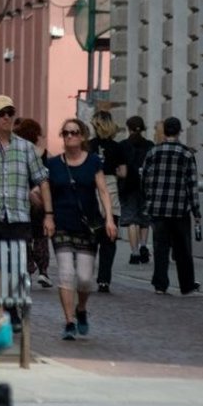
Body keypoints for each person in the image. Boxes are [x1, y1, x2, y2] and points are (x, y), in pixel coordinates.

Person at [0, 95, 54, 327]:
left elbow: (43, 180)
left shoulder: (26, 149)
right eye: (1, 113)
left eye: (10, 113)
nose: (6, 117)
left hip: (18, 216)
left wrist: (49, 215)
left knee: (15, 265)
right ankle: (1, 312)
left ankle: (11, 307)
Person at [45, 119, 117, 340]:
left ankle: (81, 308)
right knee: (66, 274)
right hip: (62, 224)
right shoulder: (53, 164)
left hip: (87, 226)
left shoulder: (93, 161)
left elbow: (103, 191)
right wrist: (48, 216)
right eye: (66, 133)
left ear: (83, 136)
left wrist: (109, 219)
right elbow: (46, 190)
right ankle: (69, 321)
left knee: (85, 279)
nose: (70, 136)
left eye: (74, 132)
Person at [142, 117, 202, 295]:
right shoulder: (186, 154)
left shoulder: (153, 152)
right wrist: (196, 211)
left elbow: (144, 179)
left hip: (158, 208)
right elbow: (192, 185)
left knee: (160, 247)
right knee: (183, 249)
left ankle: (160, 284)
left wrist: (149, 199)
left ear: (164, 131)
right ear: (179, 131)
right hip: (179, 209)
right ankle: (187, 285)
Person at [89, 111, 127, 293]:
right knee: (109, 240)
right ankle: (104, 280)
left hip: (92, 191)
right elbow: (123, 173)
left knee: (90, 239)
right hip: (110, 189)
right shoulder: (117, 147)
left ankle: (85, 274)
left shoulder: (88, 146)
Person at [13, 118, 52, 288]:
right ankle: (43, 271)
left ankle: (28, 267)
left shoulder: (19, 152)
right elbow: (49, 176)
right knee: (41, 237)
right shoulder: (44, 153)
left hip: (22, 199)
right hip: (40, 200)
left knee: (24, 236)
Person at [119, 115, 154, 264]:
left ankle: (134, 253)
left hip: (128, 186)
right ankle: (143, 246)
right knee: (144, 219)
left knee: (131, 220)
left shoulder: (122, 146)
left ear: (128, 128)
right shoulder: (150, 145)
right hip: (146, 186)